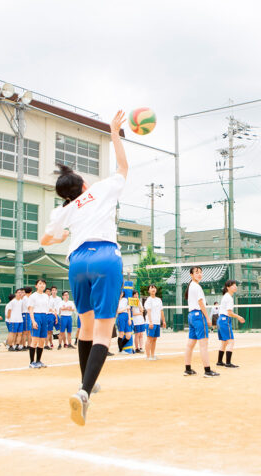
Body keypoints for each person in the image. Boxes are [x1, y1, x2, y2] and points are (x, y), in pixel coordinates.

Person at [41, 110, 128, 425]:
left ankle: (85, 384)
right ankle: (84, 392)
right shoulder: (101, 190)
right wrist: (114, 133)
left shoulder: (65, 209)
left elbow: (45, 238)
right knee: (104, 330)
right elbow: (123, 166)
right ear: (81, 183)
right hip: (105, 256)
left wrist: (61, 235)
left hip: (77, 261)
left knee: (86, 328)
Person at [184, 266, 218, 377]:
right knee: (203, 345)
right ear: (191, 275)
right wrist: (207, 318)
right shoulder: (196, 286)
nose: (199, 274)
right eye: (197, 272)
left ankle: (187, 369)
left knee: (190, 344)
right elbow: (201, 303)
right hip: (198, 316)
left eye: (200, 272)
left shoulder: (191, 286)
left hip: (191, 315)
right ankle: (207, 371)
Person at [216, 280, 245, 369]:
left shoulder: (226, 296)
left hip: (221, 319)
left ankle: (220, 362)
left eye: (236, 285)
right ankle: (228, 363)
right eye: (233, 285)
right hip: (225, 320)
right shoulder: (228, 297)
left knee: (224, 342)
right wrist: (239, 317)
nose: (235, 287)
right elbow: (229, 313)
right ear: (228, 287)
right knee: (231, 342)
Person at [28, 279, 49, 368]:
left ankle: (38, 361)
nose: (42, 285)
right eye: (40, 284)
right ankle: (32, 362)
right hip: (36, 316)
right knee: (35, 340)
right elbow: (30, 309)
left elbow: (47, 308)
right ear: (36, 286)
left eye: (44, 284)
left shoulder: (46, 296)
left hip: (44, 317)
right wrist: (33, 321)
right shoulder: (33, 296)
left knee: (42, 341)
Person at [144, 284, 165, 360]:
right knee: (149, 339)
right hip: (150, 322)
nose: (153, 289)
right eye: (151, 288)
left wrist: (164, 321)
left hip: (157, 322)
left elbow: (161, 310)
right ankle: (147, 356)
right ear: (148, 291)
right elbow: (149, 311)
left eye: (154, 288)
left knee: (154, 339)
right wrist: (150, 322)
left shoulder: (159, 300)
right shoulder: (148, 300)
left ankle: (152, 355)